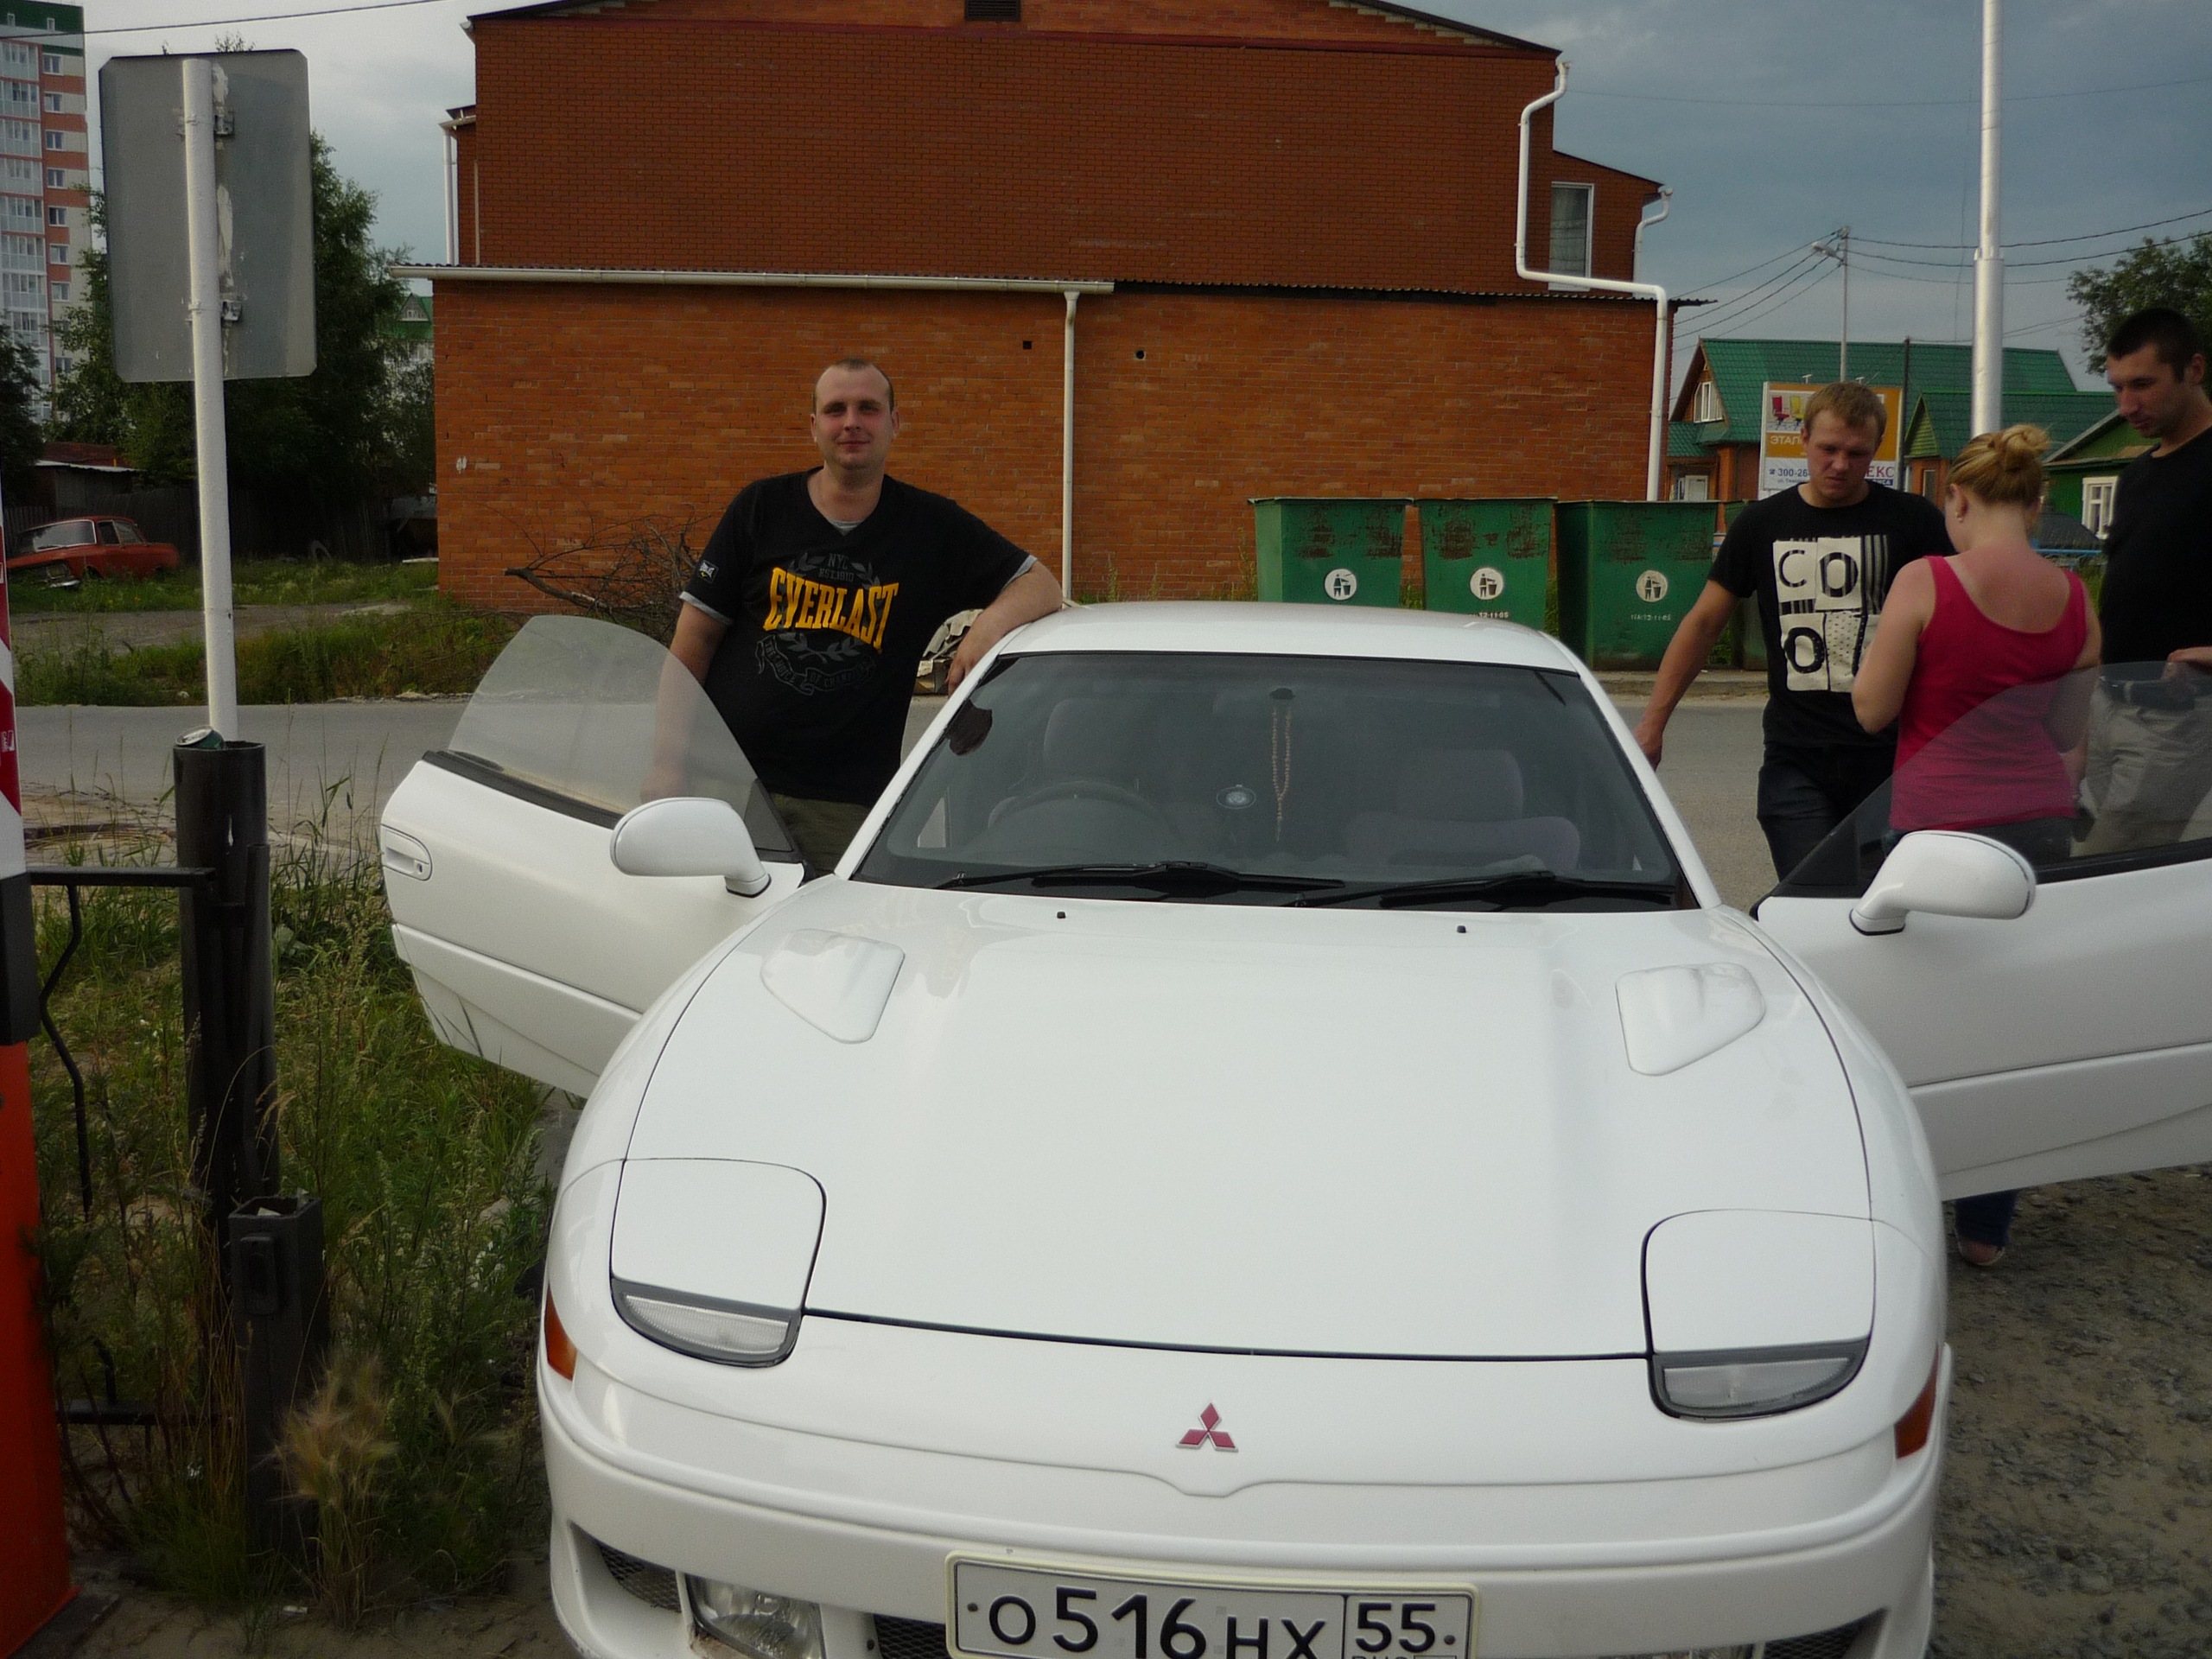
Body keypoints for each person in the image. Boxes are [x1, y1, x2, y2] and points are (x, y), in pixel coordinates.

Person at [1852, 423, 2101, 1268]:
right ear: (2035, 504)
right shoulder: (2075, 600)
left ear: (1956, 499)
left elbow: (1872, 710)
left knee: (1919, 1019)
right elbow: (2065, 730)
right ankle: (1988, 1228)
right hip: (2037, 826)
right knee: (2012, 1026)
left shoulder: (1926, 580)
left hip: (1936, 830)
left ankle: (1908, 1195)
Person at [655, 358, 1064, 868]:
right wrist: (667, 765)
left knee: (835, 918)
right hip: (728, 782)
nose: (851, 422)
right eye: (836, 410)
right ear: (814, 427)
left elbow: (1040, 584)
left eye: (868, 408)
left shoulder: (931, 529)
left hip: (846, 804)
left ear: (894, 423)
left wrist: (985, 630)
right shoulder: (760, 509)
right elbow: (693, 641)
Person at [1636, 382, 1951, 879]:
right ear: (1803, 438)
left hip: (1892, 759)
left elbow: (1959, 626)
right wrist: (1653, 724)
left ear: (1877, 450)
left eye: (1857, 453)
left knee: (1881, 902)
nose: (1840, 465)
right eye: (1828, 449)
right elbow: (1703, 624)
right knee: (1812, 896)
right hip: (1797, 758)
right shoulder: (1763, 523)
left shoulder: (1914, 522)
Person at [2079, 307, 2212, 855]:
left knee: (2106, 868)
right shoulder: (2136, 474)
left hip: (2176, 716)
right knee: (2124, 871)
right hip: (2109, 705)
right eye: (2117, 388)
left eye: (2143, 385)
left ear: (2193, 370)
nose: (2126, 405)